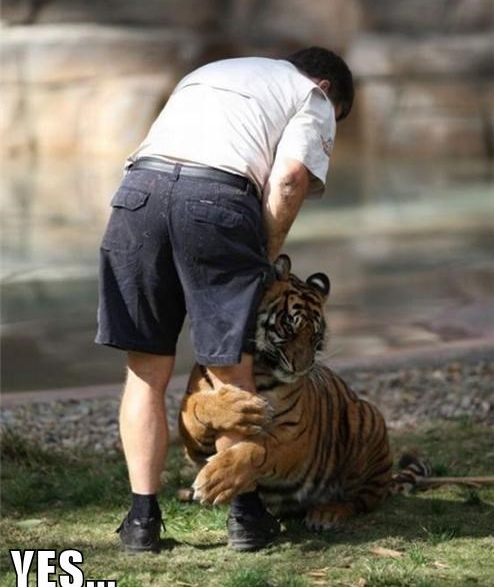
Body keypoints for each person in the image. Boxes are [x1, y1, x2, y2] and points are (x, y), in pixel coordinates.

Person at [95, 46, 354, 552]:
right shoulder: (313, 95)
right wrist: (264, 260)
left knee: (145, 372)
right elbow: (290, 178)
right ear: (327, 88)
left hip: (136, 196)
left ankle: (141, 521)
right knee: (232, 371)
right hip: (214, 200)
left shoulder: (211, 72)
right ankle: (245, 517)